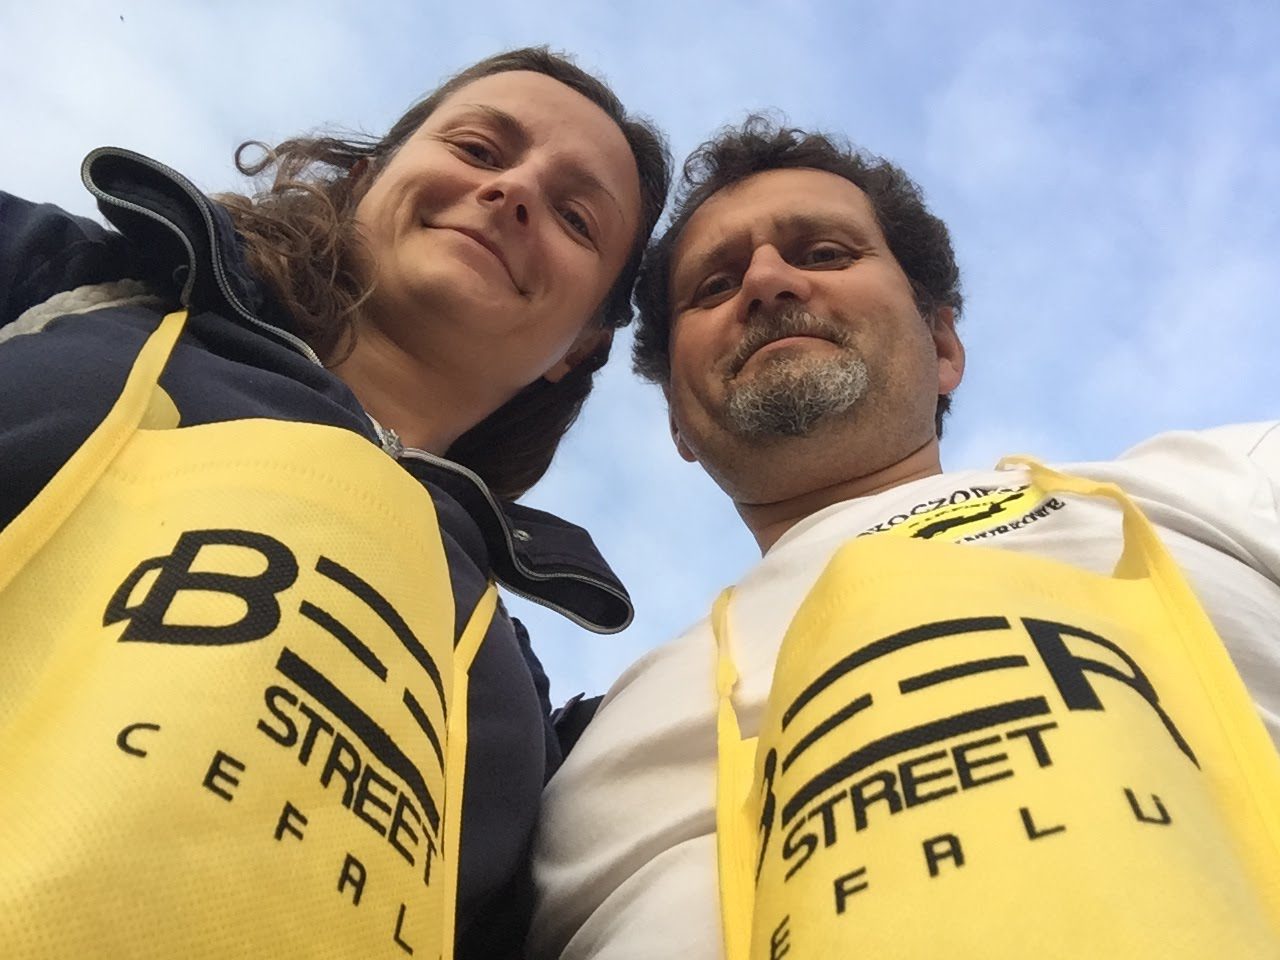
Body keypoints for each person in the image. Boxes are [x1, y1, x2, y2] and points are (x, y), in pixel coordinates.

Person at [530, 117, 1280, 959]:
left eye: (823, 253)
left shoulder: (1226, 485)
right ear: (678, 421)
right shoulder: (562, 758)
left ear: (944, 345)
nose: (767, 282)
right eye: (714, 286)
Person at [0, 48, 669, 959]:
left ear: (581, 343)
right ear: (365, 181)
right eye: (478, 149)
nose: (514, 192)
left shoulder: (518, 706)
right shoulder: (66, 280)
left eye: (575, 217)